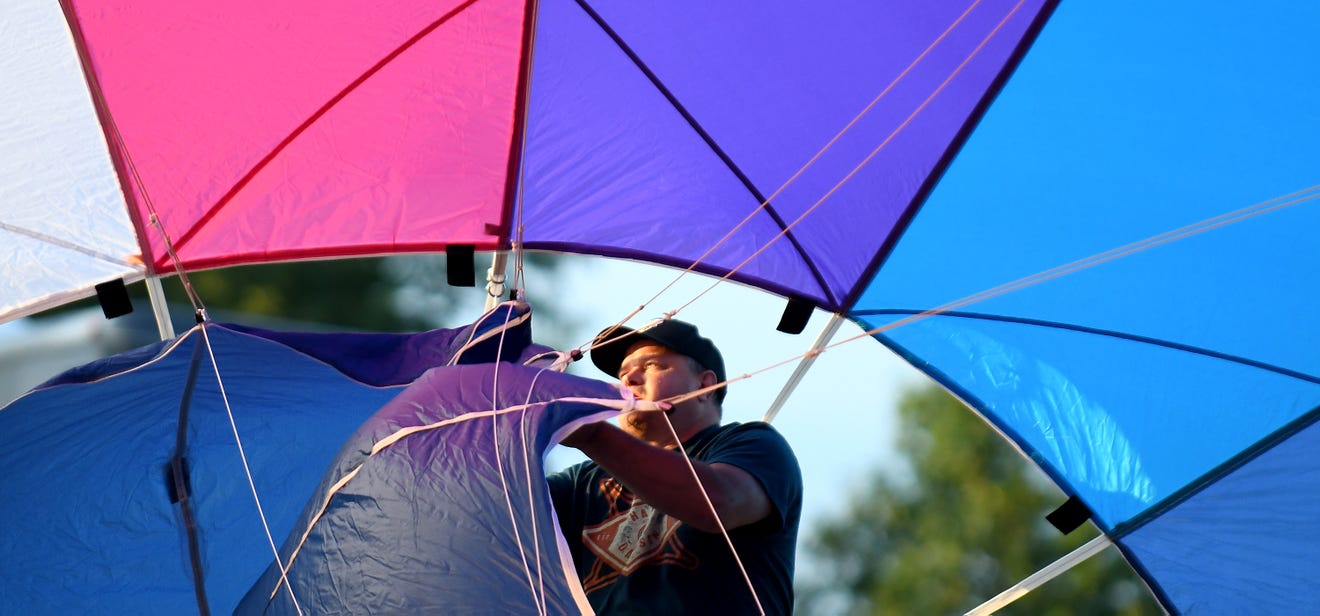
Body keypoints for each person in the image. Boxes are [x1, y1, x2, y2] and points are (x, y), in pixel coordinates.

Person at [548, 319, 803, 614]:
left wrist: (590, 433)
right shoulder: (581, 482)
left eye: (652, 365)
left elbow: (717, 502)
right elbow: (497, 514)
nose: (629, 379)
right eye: (623, 374)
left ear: (705, 385)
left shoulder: (753, 445)